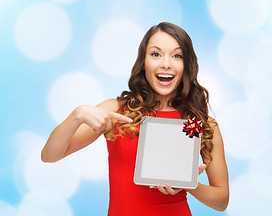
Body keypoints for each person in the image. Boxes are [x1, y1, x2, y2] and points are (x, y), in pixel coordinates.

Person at [41, 22, 229, 215]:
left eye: (177, 56)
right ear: (144, 61)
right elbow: (49, 155)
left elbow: (221, 200)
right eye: (156, 54)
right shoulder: (117, 112)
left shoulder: (197, 123)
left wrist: (188, 184)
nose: (166, 63)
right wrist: (77, 115)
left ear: (186, 65)